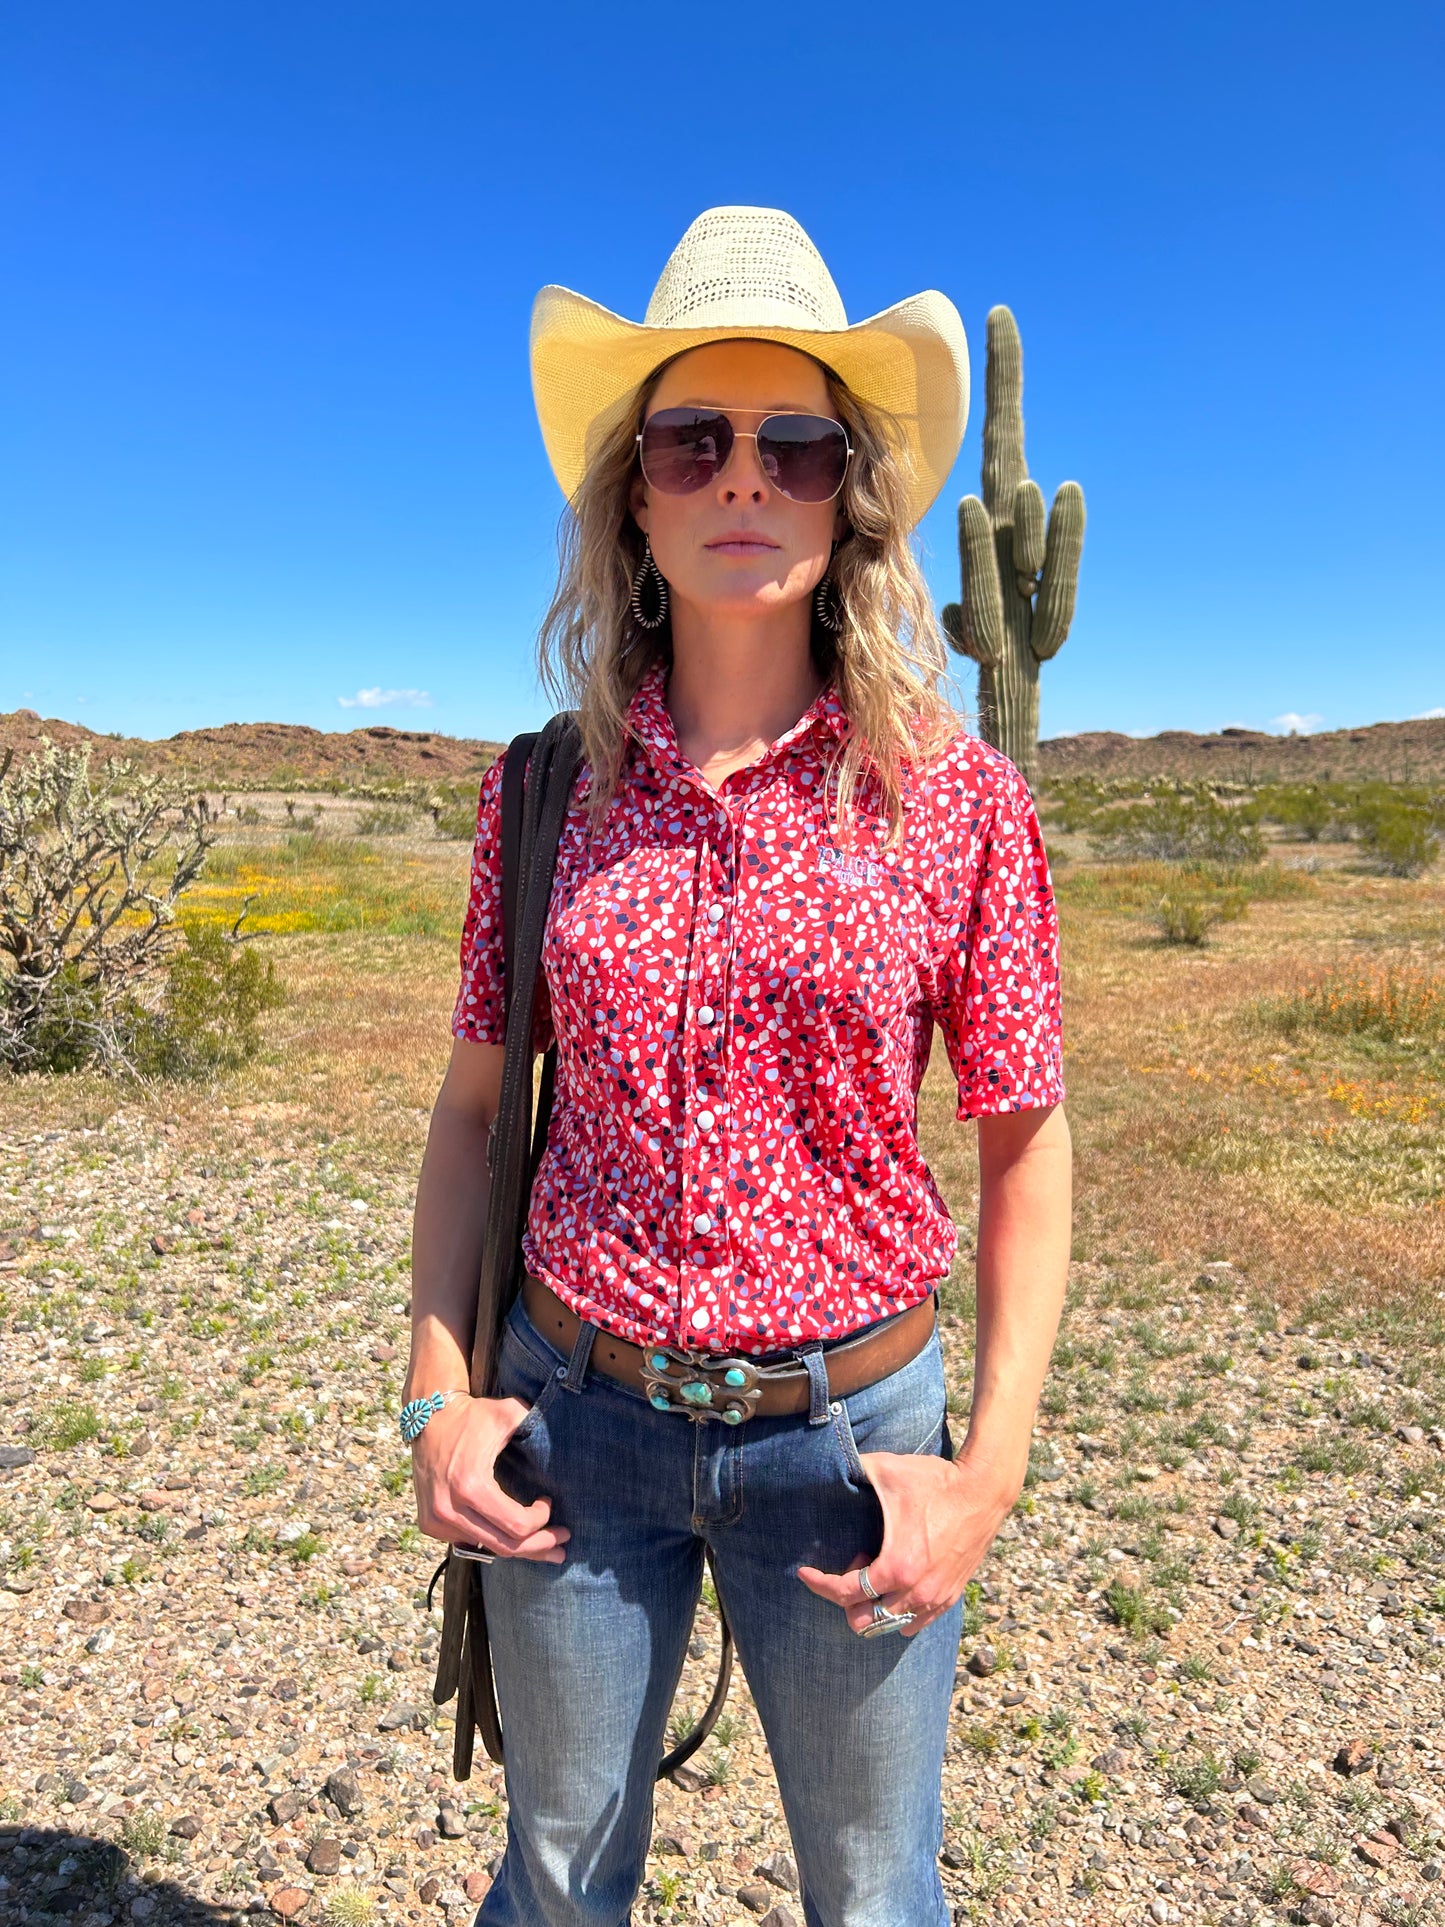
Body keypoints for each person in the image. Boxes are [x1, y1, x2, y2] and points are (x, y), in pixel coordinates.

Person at [405, 206, 1072, 1927]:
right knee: (555, 1872)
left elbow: (1023, 1147)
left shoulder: (957, 800)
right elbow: (475, 1113)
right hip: (575, 1417)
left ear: (847, 492)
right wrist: (435, 1398)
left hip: (847, 1440)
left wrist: (985, 1469)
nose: (742, 481)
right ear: (634, 490)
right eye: (694, 441)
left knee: (871, 1888)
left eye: (795, 445)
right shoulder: (538, 790)